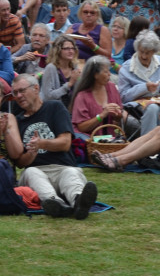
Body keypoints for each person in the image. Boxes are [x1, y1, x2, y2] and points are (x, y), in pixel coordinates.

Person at [11, 74, 98, 219]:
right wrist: (31, 154)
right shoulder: (18, 121)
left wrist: (41, 144)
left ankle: (79, 202)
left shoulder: (54, 107)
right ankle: (56, 204)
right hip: (37, 170)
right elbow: (20, 163)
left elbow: (65, 143)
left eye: (22, 90)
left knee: (71, 174)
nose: (19, 96)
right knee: (31, 173)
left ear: (36, 88)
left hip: (62, 167)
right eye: (15, 93)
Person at [117, 30, 160, 135]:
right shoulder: (127, 67)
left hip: (159, 99)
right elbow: (123, 96)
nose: (143, 56)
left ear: (154, 51)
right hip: (136, 102)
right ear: (137, 49)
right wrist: (145, 87)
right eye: (141, 51)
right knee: (152, 107)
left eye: (148, 53)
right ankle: (147, 145)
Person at [70, 56, 136, 137]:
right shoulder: (82, 96)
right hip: (88, 138)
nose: (109, 74)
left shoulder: (112, 87)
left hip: (109, 138)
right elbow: (82, 127)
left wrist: (117, 115)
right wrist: (101, 115)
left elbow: (118, 118)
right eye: (106, 72)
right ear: (95, 75)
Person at [40, 34, 82, 107]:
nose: (71, 51)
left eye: (73, 48)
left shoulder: (74, 67)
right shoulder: (51, 68)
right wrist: (69, 84)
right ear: (58, 50)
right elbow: (48, 96)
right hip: (55, 111)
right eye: (67, 48)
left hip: (72, 109)